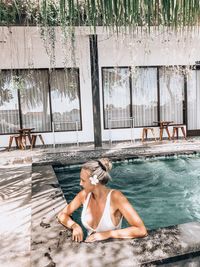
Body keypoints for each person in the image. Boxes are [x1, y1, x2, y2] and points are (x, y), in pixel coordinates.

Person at [57, 158, 148, 243]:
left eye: (83, 180)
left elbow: (141, 230)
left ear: (94, 181)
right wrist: (74, 226)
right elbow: (62, 214)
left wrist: (108, 234)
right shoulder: (84, 195)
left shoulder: (116, 197)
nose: (80, 183)